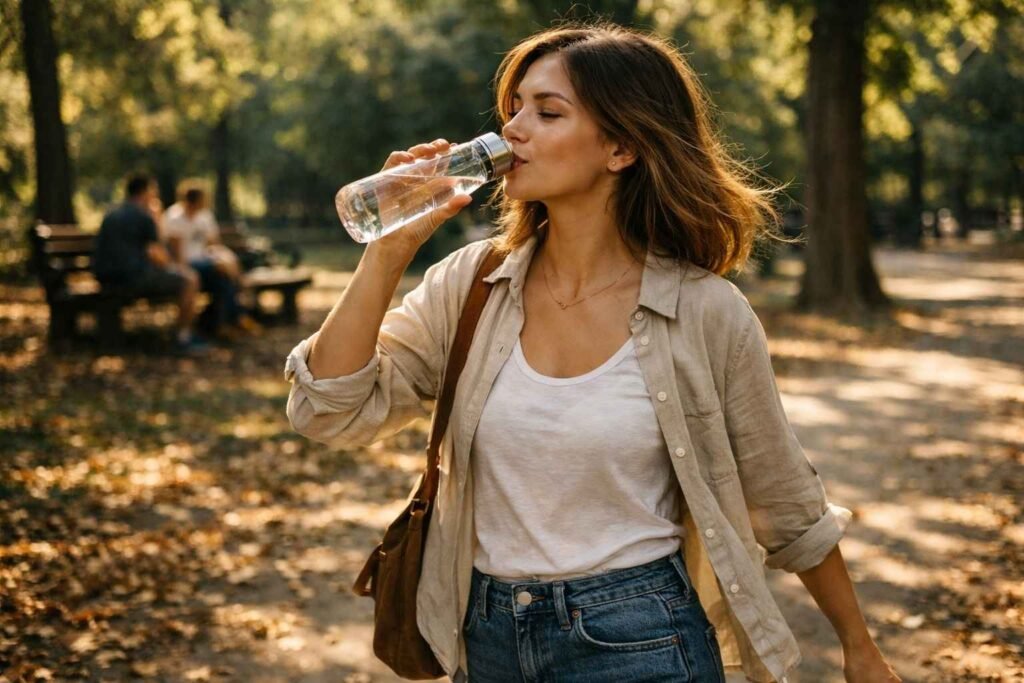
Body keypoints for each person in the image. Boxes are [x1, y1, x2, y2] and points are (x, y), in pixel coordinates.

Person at [284, 23, 900, 683]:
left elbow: (784, 497)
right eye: (514, 107)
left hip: (640, 635)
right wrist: (388, 250)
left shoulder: (704, 312)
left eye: (547, 112)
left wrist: (859, 647)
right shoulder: (472, 287)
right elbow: (327, 408)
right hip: (485, 639)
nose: (513, 129)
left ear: (621, 147)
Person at [93, 173, 208, 355]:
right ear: (145, 191)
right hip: (133, 278)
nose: (155, 195)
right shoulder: (143, 215)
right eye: (153, 191)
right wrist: (157, 219)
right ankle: (182, 337)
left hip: (105, 277)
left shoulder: (111, 213)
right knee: (190, 279)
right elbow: (157, 254)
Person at [163, 181, 260, 338]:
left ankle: (221, 324)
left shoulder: (204, 216)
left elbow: (213, 244)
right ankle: (238, 317)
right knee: (222, 273)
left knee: (223, 282)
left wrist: (225, 259)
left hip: (205, 262)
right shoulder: (175, 217)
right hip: (186, 264)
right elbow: (177, 253)